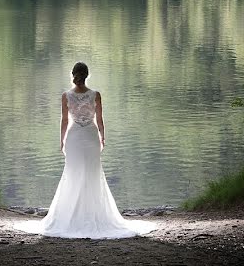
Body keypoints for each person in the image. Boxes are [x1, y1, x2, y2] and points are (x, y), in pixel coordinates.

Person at [15, 62, 155, 239]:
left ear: (73, 74)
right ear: (87, 75)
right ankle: (92, 214)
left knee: (72, 174)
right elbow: (100, 120)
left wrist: (62, 140)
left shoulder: (66, 96)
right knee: (92, 175)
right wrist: (103, 137)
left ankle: (71, 216)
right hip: (90, 135)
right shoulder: (95, 95)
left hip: (74, 137)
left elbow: (65, 121)